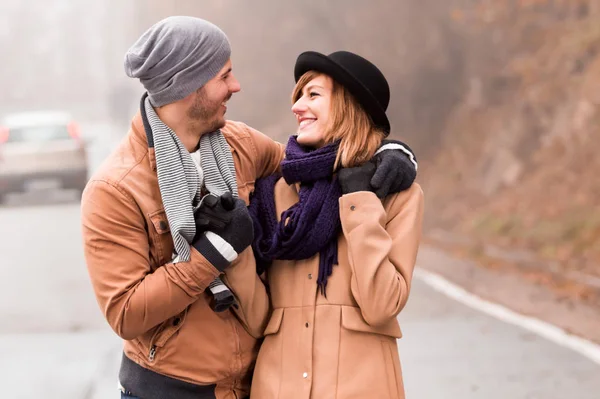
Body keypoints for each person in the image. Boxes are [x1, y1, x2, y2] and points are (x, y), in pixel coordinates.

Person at [81, 17, 418, 399]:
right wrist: (214, 253)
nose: (235, 86)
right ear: (188, 84)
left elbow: (313, 161)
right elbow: (125, 313)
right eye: (224, 76)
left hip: (253, 385)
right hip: (173, 390)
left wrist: (389, 150)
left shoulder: (241, 145)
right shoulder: (116, 188)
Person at [247, 51, 424, 399]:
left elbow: (381, 305)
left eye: (312, 95)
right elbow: (255, 319)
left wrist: (359, 200)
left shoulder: (398, 195)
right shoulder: (273, 195)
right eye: (298, 96)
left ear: (349, 105)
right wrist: (236, 246)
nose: (297, 106)